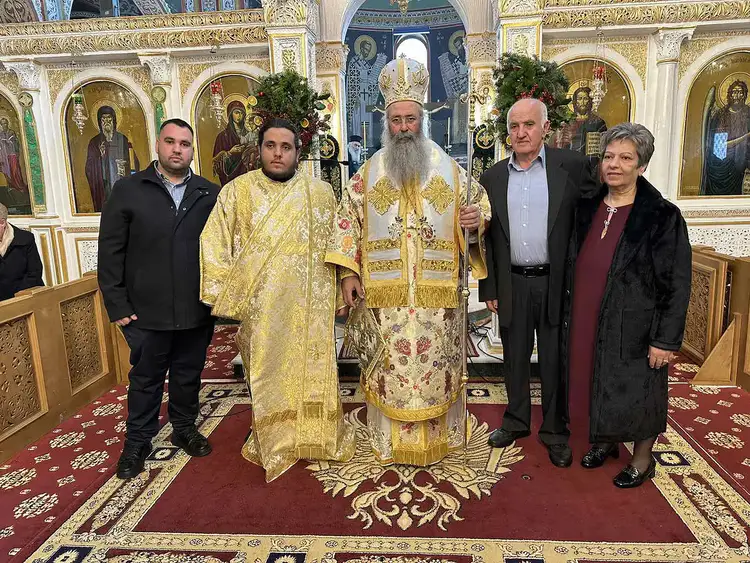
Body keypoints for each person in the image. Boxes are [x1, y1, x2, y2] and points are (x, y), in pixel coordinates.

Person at [326, 58, 491, 466]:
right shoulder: (368, 173)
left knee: (436, 367)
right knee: (390, 368)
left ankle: (438, 438)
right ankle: (389, 441)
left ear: (422, 120)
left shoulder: (451, 171)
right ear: (387, 122)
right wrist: (348, 272)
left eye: (410, 119)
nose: (403, 127)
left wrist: (476, 221)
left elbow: (479, 209)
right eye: (396, 120)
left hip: (437, 300)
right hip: (386, 298)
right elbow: (347, 221)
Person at [200, 118, 355, 482]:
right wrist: (228, 296)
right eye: (270, 146)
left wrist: (340, 288)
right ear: (260, 149)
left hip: (310, 307)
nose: (278, 154)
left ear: (298, 153)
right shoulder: (237, 192)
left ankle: (316, 436)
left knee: (311, 371)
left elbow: (336, 245)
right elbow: (214, 241)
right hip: (263, 309)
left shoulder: (320, 193)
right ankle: (274, 440)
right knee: (268, 374)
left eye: (286, 147)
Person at [563, 123, 691, 488]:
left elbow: (676, 283)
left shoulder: (662, 216)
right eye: (608, 157)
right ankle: (605, 441)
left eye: (625, 158)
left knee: (640, 391)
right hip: (587, 314)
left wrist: (665, 340)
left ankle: (642, 460)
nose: (614, 165)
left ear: (642, 165)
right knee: (596, 379)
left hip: (637, 325)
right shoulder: (587, 207)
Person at [478, 98, 597, 468]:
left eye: (529, 124)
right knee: (513, 356)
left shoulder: (572, 167)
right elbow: (488, 237)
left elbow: (594, 215)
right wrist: (490, 287)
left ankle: (555, 430)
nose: (521, 133)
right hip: (512, 281)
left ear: (545, 128)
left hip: (555, 281)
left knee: (554, 358)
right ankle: (515, 420)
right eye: (514, 126)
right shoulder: (493, 177)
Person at [98, 118, 219, 480]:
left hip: (195, 308)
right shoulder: (129, 190)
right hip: (145, 312)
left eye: (184, 143)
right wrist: (117, 305)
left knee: (188, 375)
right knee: (146, 380)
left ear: (192, 150)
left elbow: (223, 250)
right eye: (170, 141)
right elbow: (110, 252)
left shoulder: (209, 193)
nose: (177, 149)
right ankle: (137, 442)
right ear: (157, 145)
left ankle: (184, 428)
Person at [85, 106, 140, 212]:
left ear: (114, 121)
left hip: (121, 184)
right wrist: (100, 157)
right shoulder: (94, 142)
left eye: (109, 119)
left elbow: (134, 163)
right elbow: (89, 169)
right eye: (103, 119)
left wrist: (125, 167)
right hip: (103, 187)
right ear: (99, 122)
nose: (106, 122)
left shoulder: (122, 139)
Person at [701, 79, 750, 196]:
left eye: (740, 92)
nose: (737, 95)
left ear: (745, 95)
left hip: (742, 162)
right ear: (729, 94)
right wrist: (746, 136)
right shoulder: (721, 115)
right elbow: (720, 147)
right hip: (722, 162)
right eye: (734, 92)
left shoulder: (748, 113)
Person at [0, 203, 43, 300]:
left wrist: (15, 298)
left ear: (2, 223)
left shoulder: (25, 239)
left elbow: (34, 274)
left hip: (26, 297)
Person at [554, 87, 608, 157]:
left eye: (585, 99)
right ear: (575, 101)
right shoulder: (567, 122)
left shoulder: (598, 122)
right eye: (579, 99)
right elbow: (558, 145)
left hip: (589, 161)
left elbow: (603, 147)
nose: (582, 102)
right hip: (569, 159)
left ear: (590, 101)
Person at [212, 100, 253, 187]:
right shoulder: (223, 136)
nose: (239, 116)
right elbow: (216, 163)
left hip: (249, 177)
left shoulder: (250, 133)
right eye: (236, 113)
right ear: (230, 114)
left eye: (242, 113)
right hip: (231, 180)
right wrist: (230, 153)